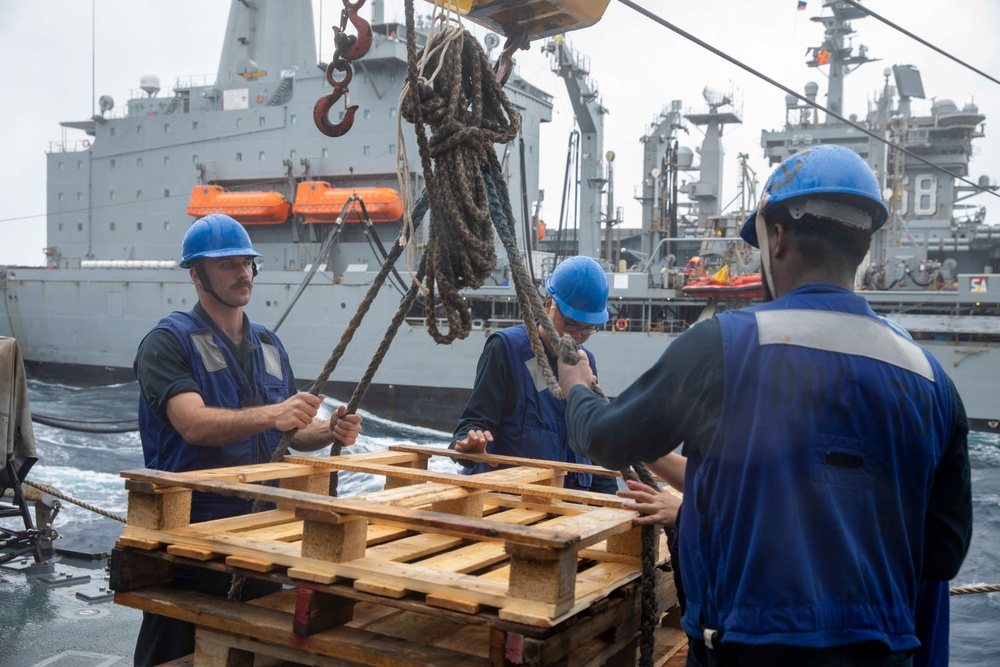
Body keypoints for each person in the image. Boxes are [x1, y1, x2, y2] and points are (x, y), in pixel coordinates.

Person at [558, 145, 972, 666]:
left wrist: (576, 387)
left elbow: (608, 439)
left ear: (776, 237)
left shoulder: (724, 346)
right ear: (865, 242)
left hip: (746, 650)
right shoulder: (932, 381)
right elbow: (942, 554)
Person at [132, 214, 363, 666]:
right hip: (192, 539)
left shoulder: (269, 345)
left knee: (253, 653)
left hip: (263, 535)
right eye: (227, 265)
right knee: (175, 653)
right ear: (196, 275)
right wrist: (274, 414)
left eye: (247, 263)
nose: (243, 274)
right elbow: (193, 424)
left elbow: (289, 435)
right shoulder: (166, 343)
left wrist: (328, 431)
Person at [450, 255, 618, 493]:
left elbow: (594, 445)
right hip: (507, 504)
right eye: (571, 324)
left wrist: (610, 505)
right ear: (549, 304)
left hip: (566, 506)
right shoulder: (506, 348)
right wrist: (470, 448)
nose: (578, 336)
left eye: (589, 328)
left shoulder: (586, 361)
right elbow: (472, 422)